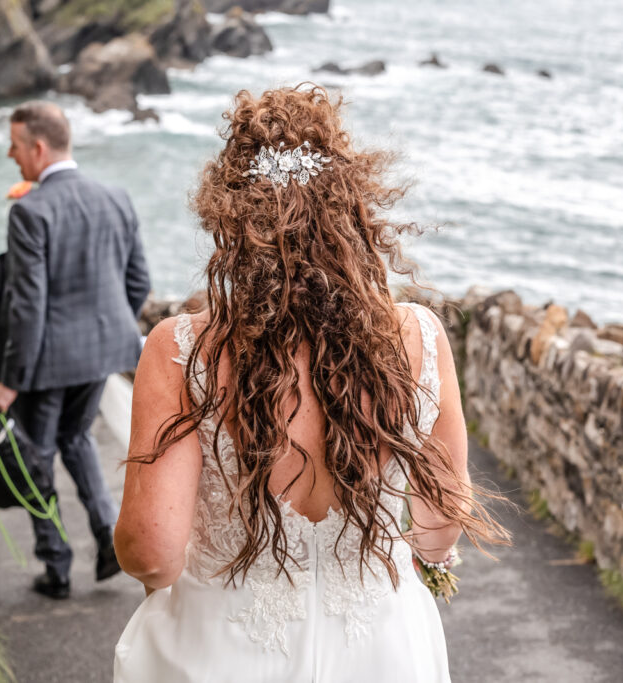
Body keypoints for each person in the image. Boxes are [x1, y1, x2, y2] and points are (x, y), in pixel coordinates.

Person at [112, 86, 509, 681]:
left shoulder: (182, 349)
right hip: (382, 650)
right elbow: (435, 530)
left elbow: (152, 552)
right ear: (353, 210)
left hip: (224, 650)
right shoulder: (419, 338)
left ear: (230, 220)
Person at [0, 101, 151, 600]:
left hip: (46, 362)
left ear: (37, 147)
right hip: (102, 353)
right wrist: (105, 329)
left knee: (37, 454)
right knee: (77, 438)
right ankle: (106, 540)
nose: (11, 155)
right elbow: (139, 281)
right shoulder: (116, 196)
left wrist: (10, 380)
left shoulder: (30, 211)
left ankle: (56, 567)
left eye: (14, 146)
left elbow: (28, 307)